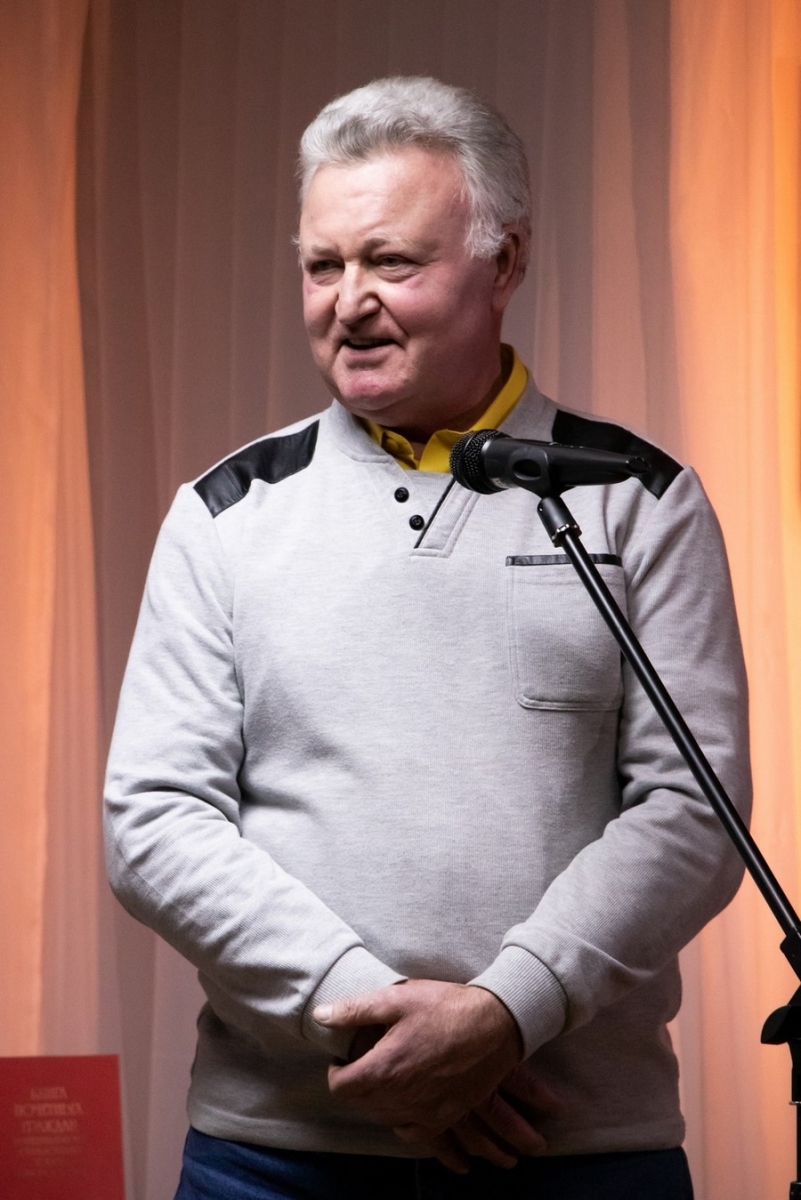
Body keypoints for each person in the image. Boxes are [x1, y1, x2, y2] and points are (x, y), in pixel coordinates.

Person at [104, 76, 751, 1199]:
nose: (348, 303)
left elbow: (693, 810)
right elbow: (154, 821)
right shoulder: (224, 513)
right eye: (322, 266)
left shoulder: (639, 499)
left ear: (505, 262)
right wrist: (371, 1020)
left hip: (578, 1153)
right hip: (276, 1157)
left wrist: (507, 1011)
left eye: (391, 262)